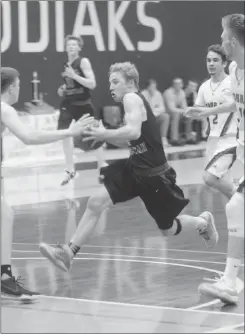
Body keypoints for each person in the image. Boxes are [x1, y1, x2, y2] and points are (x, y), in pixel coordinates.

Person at [39, 62, 218, 273]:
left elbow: (132, 132)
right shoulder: (131, 102)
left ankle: (202, 222)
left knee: (167, 229)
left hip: (155, 175)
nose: (111, 87)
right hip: (135, 168)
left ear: (131, 82)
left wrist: (104, 135)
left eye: (115, 82)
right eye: (110, 83)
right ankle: (68, 253)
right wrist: (103, 135)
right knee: (96, 202)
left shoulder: (131, 98)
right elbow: (132, 140)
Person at [1, 67, 94, 301]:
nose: (20, 88)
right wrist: (69, 132)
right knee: (5, 215)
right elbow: (29, 137)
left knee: (5, 215)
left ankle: (4, 278)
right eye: (19, 83)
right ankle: (4, 279)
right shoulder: (4, 109)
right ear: (12, 87)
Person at [197, 14, 244, 305]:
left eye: (224, 36)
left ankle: (230, 281)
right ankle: (231, 280)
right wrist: (203, 113)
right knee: (236, 206)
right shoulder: (237, 70)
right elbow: (235, 103)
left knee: (236, 205)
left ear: (232, 41)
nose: (221, 39)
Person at [185, 44, 239, 200]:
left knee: (209, 178)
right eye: (208, 60)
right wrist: (192, 112)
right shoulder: (204, 87)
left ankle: (240, 197)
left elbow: (233, 106)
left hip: (230, 139)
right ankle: (238, 216)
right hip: (212, 141)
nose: (211, 64)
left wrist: (206, 111)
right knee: (224, 186)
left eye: (215, 60)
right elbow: (199, 109)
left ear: (224, 64)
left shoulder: (231, 84)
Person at [58, 35, 106, 186]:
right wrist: (63, 88)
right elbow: (72, 85)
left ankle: (102, 165)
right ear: (66, 47)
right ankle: (70, 169)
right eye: (69, 45)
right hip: (68, 104)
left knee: (94, 134)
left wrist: (74, 76)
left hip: (83, 104)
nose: (71, 47)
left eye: (74, 45)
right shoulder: (66, 64)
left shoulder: (83, 62)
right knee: (64, 134)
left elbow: (92, 84)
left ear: (79, 48)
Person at [163, 78, 195, 145]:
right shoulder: (168, 93)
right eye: (178, 84)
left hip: (177, 112)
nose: (180, 85)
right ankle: (174, 139)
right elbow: (171, 109)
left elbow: (184, 107)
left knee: (188, 114)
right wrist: (183, 111)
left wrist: (187, 111)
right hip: (167, 113)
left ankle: (188, 138)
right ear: (174, 85)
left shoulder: (182, 92)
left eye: (181, 84)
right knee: (176, 114)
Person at [141, 79, 170, 147]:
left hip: (156, 115)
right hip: (145, 117)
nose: (154, 89)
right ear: (148, 87)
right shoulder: (143, 94)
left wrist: (154, 111)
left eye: (155, 87)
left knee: (165, 116)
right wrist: (154, 111)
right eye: (152, 87)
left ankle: (163, 139)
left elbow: (163, 108)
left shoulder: (158, 94)